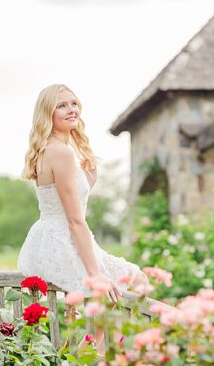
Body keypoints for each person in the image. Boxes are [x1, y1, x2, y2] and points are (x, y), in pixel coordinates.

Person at [18, 84, 147, 300]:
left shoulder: (46, 149)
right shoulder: (62, 152)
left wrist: (88, 181)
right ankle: (103, 336)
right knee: (135, 282)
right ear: (48, 113)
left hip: (44, 241)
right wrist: (95, 273)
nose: (71, 110)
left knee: (115, 294)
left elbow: (58, 202)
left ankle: (100, 336)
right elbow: (74, 220)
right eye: (61, 106)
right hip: (63, 243)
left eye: (73, 103)